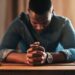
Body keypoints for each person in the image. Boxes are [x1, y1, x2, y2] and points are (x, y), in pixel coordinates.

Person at [0, 0, 75, 66]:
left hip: (55, 68)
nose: (40, 27)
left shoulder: (63, 24)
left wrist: (48, 57)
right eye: (34, 22)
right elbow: (1, 51)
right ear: (28, 12)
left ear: (52, 11)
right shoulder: (20, 23)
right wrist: (26, 58)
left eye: (45, 22)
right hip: (26, 69)